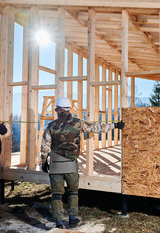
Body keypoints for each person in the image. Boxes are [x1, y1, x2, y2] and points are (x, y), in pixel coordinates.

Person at [40, 97, 124, 229]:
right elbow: (96, 127)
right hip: (71, 164)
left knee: (57, 194)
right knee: (73, 191)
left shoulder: (51, 125)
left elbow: (45, 146)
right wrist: (115, 125)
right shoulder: (78, 123)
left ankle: (59, 222)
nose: (56, 111)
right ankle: (72, 219)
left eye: (56, 109)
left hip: (55, 165)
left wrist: (44, 162)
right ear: (68, 109)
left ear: (60, 109)